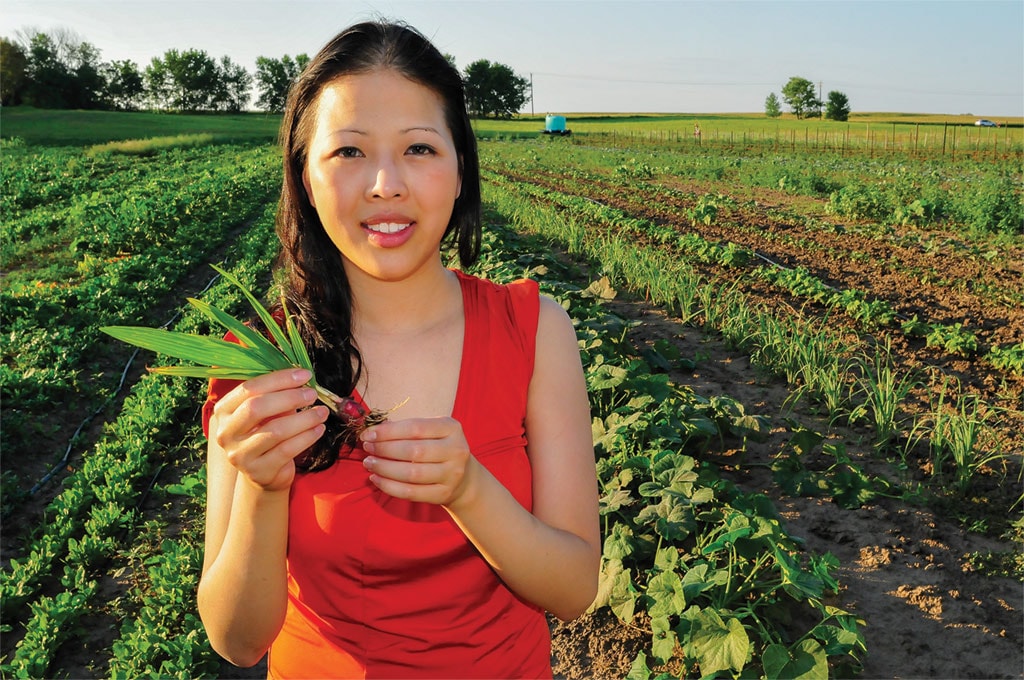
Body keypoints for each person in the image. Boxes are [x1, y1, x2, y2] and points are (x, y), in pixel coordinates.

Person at [196, 20, 600, 679]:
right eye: (349, 152)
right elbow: (237, 640)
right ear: (304, 174)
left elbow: (574, 588)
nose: (386, 183)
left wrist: (470, 490)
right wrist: (264, 489)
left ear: (460, 167)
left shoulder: (535, 331)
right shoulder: (260, 361)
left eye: (418, 148)